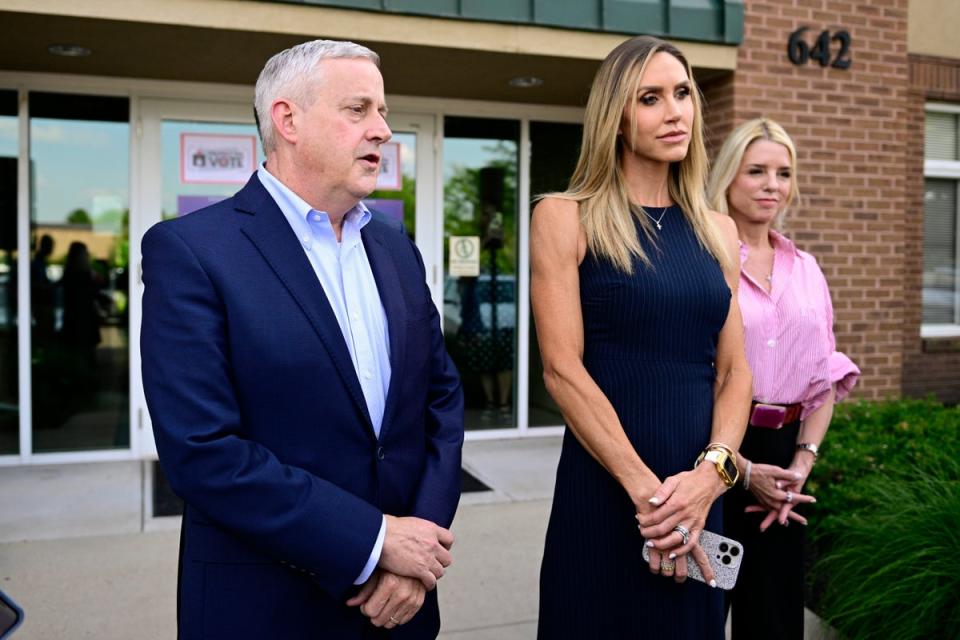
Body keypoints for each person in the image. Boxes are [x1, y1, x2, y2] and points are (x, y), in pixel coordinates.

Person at [141, 40, 464, 639]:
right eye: (359, 110)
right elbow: (202, 449)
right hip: (265, 606)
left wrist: (416, 546)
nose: (383, 131)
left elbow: (440, 400)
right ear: (288, 119)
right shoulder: (192, 251)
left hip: (402, 608)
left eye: (385, 112)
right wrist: (375, 541)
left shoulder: (396, 249)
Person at [532, 35, 753, 639]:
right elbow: (561, 370)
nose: (675, 110)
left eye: (682, 93)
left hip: (699, 492)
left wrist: (713, 476)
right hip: (607, 491)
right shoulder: (564, 215)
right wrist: (652, 501)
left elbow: (735, 373)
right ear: (617, 119)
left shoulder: (719, 230)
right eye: (649, 98)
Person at [706, 118, 860, 639]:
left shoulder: (807, 268)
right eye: (756, 171)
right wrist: (743, 470)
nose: (772, 184)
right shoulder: (704, 257)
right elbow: (691, 373)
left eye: (783, 172)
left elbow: (825, 376)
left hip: (784, 455)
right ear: (728, 177)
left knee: (773, 617)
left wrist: (800, 465)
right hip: (710, 453)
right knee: (700, 612)